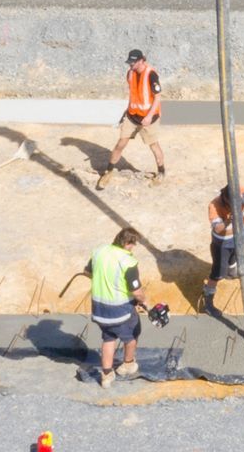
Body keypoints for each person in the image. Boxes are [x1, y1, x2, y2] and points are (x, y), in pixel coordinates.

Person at [85, 227, 146, 386]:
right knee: (132, 335)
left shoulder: (99, 252)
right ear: (126, 242)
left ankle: (106, 375)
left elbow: (88, 272)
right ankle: (128, 364)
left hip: (99, 310)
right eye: (132, 244)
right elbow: (137, 291)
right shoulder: (128, 262)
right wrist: (143, 301)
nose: (133, 247)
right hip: (121, 311)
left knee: (109, 337)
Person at [98, 49, 166, 189]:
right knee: (120, 144)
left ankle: (161, 172)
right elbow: (135, 94)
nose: (131, 65)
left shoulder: (151, 74)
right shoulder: (130, 73)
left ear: (142, 61)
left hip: (149, 119)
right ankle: (108, 171)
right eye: (130, 63)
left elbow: (158, 98)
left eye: (133, 63)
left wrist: (148, 116)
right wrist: (126, 112)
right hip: (132, 116)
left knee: (154, 146)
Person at [203, 185, 244, 326]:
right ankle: (208, 303)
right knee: (217, 273)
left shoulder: (238, 190)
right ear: (225, 199)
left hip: (239, 237)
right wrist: (228, 221)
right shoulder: (215, 206)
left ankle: (232, 273)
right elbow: (218, 229)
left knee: (235, 257)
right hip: (223, 244)